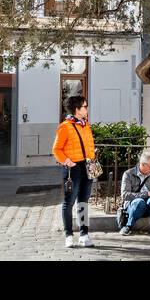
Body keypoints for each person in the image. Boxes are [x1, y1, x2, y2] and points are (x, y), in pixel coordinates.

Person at [52, 95, 97, 248]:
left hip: (87, 167)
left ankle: (84, 234)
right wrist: (66, 161)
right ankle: (68, 234)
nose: (87, 108)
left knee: (83, 201)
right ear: (77, 109)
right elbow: (56, 149)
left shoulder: (86, 125)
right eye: (85, 106)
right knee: (69, 202)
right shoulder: (65, 126)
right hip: (73, 169)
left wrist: (92, 155)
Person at [118, 150, 150, 237]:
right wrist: (147, 194)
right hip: (134, 205)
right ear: (142, 164)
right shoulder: (128, 174)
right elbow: (124, 195)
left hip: (149, 205)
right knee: (139, 201)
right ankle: (128, 226)